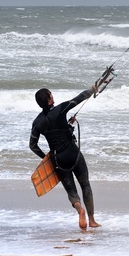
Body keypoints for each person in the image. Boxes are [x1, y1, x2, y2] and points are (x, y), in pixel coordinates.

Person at [29, 86, 100, 231]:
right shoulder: (60, 109)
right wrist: (92, 89)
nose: (52, 96)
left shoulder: (37, 122)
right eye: (51, 94)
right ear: (49, 100)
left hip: (58, 160)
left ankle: (80, 210)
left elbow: (33, 145)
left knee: (71, 191)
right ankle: (92, 220)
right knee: (85, 185)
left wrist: (46, 158)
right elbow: (79, 98)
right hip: (73, 153)